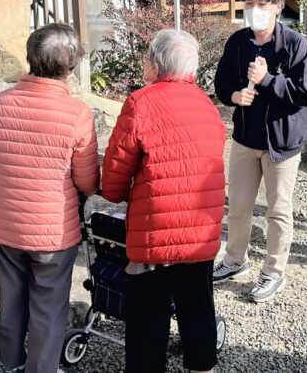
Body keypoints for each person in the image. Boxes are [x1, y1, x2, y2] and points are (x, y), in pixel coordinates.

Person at [0, 23, 99, 373]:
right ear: (71, 66)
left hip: (5, 223)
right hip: (52, 230)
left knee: (11, 299)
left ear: (30, 57)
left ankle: (11, 363)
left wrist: (9, 181)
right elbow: (87, 181)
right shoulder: (76, 113)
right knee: (49, 307)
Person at [102, 29, 227, 373]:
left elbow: (115, 172)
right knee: (198, 307)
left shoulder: (140, 102)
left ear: (156, 65)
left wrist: (114, 194)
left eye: (147, 57)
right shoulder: (206, 105)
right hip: (200, 232)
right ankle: (202, 368)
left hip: (155, 232)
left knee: (147, 317)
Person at [212, 0, 307, 303]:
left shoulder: (295, 45)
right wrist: (234, 96)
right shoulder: (238, 42)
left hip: (281, 144)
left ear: (277, 7)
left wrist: (268, 80)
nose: (254, 9)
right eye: (249, 3)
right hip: (245, 138)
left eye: (261, 3)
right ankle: (235, 260)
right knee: (238, 205)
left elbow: (306, 92)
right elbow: (221, 83)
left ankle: (274, 270)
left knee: (278, 211)